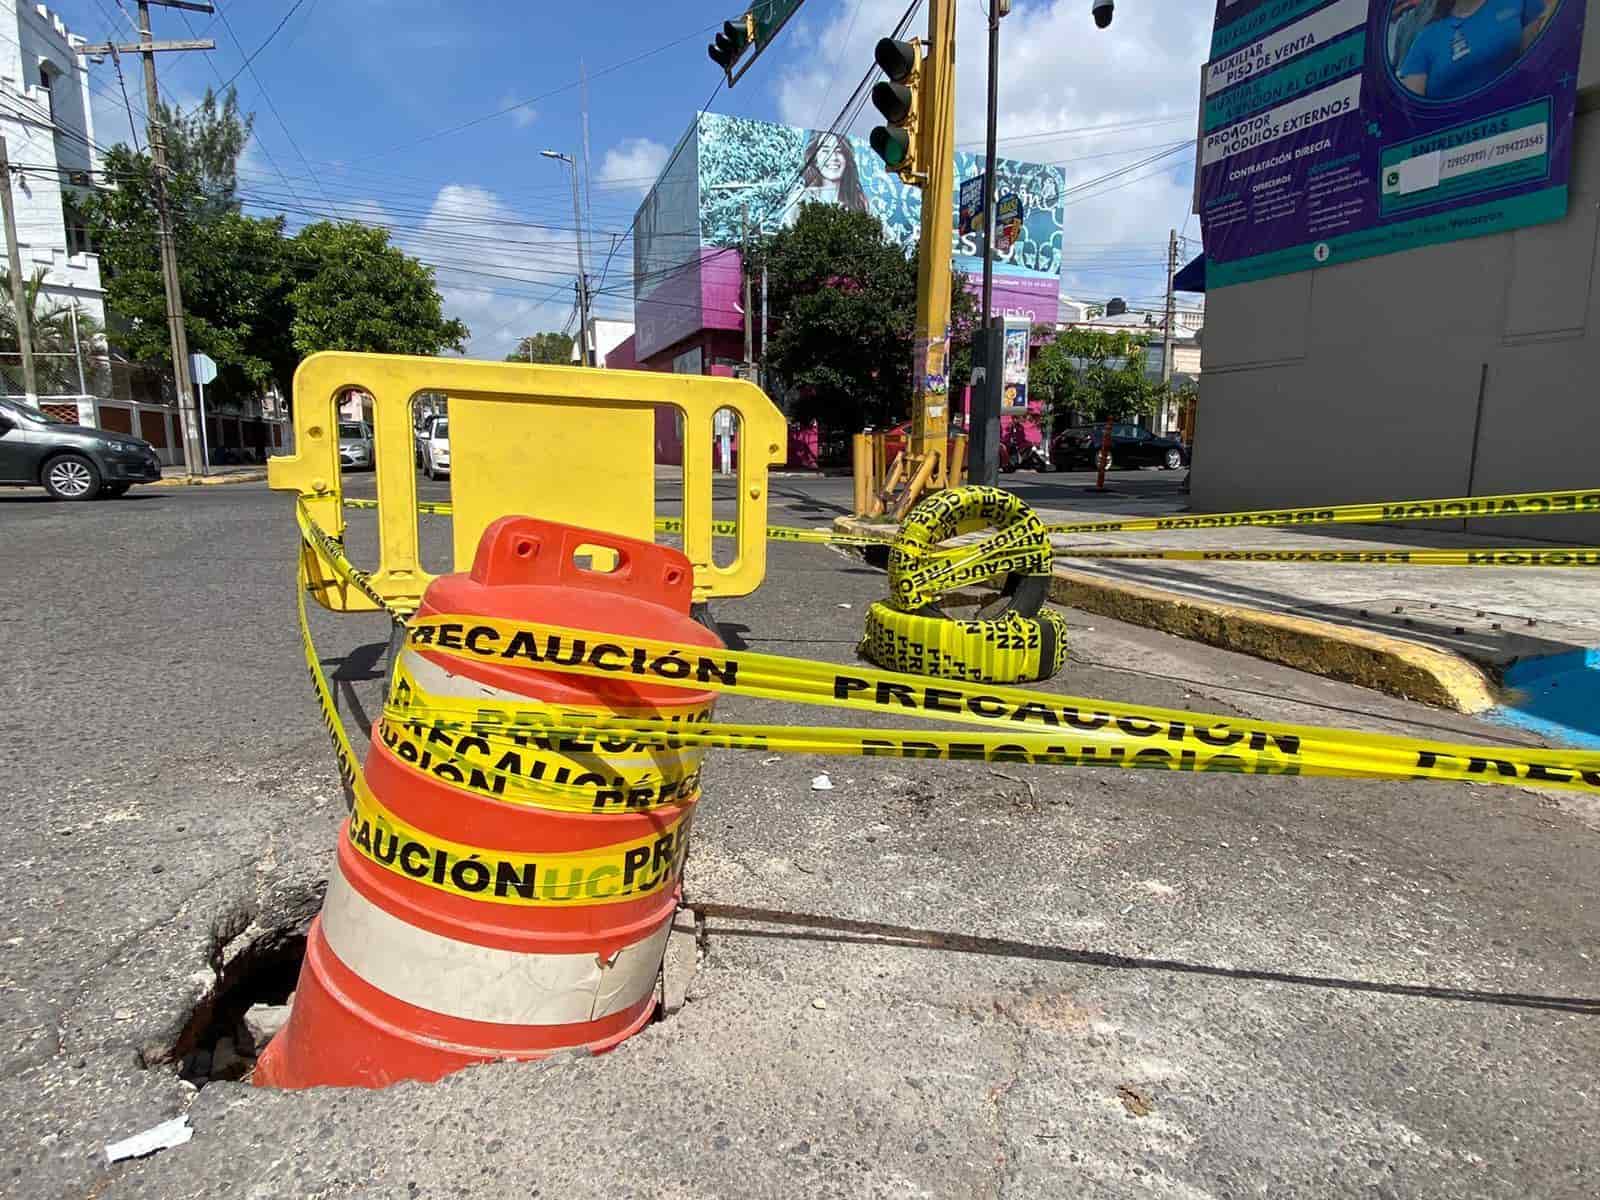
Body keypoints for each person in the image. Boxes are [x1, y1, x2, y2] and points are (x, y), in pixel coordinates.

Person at [1399, 0, 1558, 101]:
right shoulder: (1426, 38)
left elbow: (1539, 65)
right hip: (1454, 144)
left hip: (1515, 132)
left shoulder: (1519, 3)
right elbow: (1409, 115)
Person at [779, 130, 867, 228]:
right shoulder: (801, 199)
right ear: (815, 159)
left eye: (839, 151)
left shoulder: (858, 200)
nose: (833, 157)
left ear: (846, 158)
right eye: (825, 151)